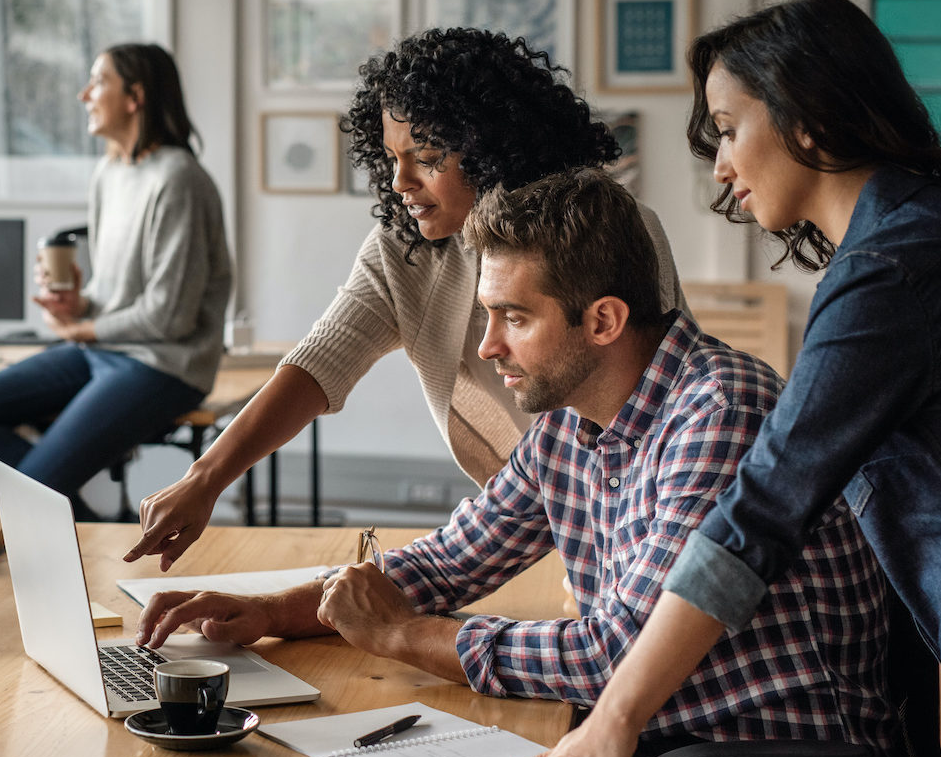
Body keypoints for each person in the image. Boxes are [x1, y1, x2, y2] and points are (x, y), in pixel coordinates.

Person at [482, 0, 941, 757]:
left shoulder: (895, 274)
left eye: (729, 128)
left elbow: (757, 517)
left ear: (807, 112)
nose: (722, 167)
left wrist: (614, 721)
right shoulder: (917, 247)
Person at [137, 169, 891, 757]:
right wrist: (273, 611)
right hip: (650, 742)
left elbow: (613, 655)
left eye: (513, 318)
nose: (487, 345)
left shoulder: (717, 414)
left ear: (602, 320)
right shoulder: (574, 417)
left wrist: (404, 635)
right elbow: (446, 561)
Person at [126, 28, 685, 570]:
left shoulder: (603, 231)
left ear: (492, 146)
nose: (399, 181)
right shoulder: (406, 247)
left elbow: (651, 405)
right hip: (523, 515)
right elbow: (319, 363)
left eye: (426, 156)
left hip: (636, 510)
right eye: (392, 158)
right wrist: (204, 480)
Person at [0, 44, 231, 521]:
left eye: (98, 81)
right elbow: (115, 296)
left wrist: (81, 330)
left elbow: (170, 315)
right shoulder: (109, 173)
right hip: (105, 352)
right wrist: (79, 304)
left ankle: (74, 535)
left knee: (34, 487)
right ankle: (88, 533)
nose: (84, 94)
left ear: (135, 96)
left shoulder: (179, 179)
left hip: (164, 366)